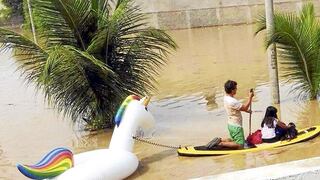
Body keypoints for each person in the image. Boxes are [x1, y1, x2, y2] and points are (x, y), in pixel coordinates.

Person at [207, 80, 254, 150]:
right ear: (232, 90)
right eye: (235, 88)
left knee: (233, 140)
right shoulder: (233, 101)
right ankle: (221, 143)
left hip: (231, 124)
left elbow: (235, 109)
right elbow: (245, 107)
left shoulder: (226, 98)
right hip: (236, 126)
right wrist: (250, 97)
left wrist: (246, 111)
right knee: (240, 145)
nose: (236, 90)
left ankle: (220, 140)